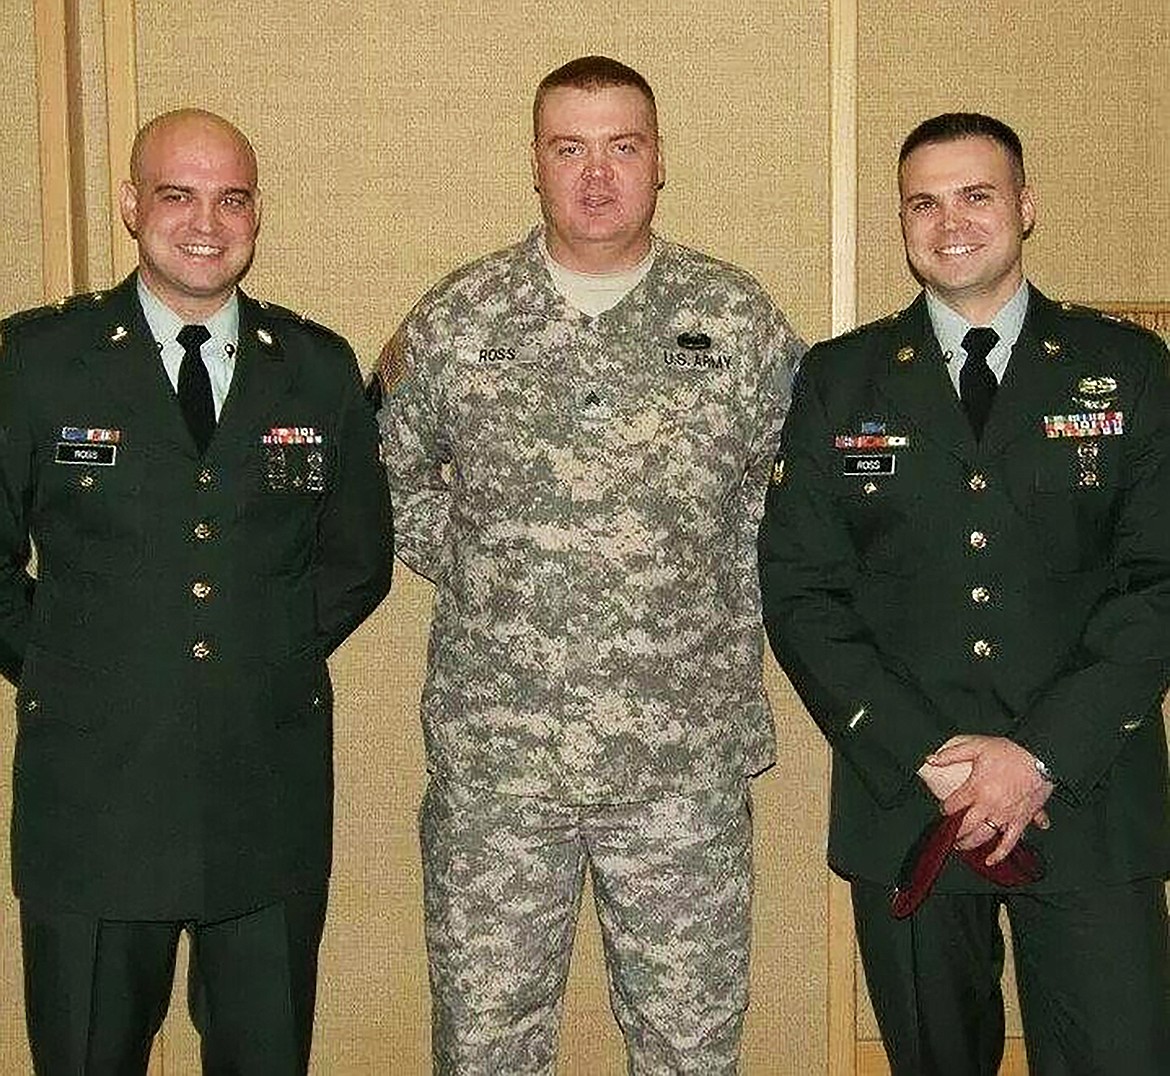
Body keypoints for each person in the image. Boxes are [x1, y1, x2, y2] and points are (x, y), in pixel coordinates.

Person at [371, 55, 803, 1074]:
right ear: (535, 164)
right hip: (499, 770)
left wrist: (698, 588)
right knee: (486, 1047)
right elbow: (382, 477)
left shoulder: (737, 320)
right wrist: (492, 564)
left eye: (623, 146)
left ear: (661, 163)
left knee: (691, 1048)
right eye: (570, 147)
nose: (597, 174)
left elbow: (789, 505)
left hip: (681, 769)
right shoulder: (460, 318)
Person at [759, 111, 1170, 1075]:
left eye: (977, 195)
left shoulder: (1129, 371)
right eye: (924, 203)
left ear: (1025, 207)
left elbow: (1159, 581)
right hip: (911, 802)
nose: (952, 223)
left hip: (1089, 798)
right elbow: (803, 592)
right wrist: (928, 755)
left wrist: (1039, 758)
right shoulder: (840, 378)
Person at [0, 109, 393, 1074]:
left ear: (258, 212)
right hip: (95, 797)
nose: (206, 222)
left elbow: (356, 558)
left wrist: (263, 653)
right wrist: (71, 669)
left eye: (232, 198)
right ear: (133, 207)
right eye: (177, 195)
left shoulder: (314, 367)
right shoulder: (37, 363)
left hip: (265, 792)